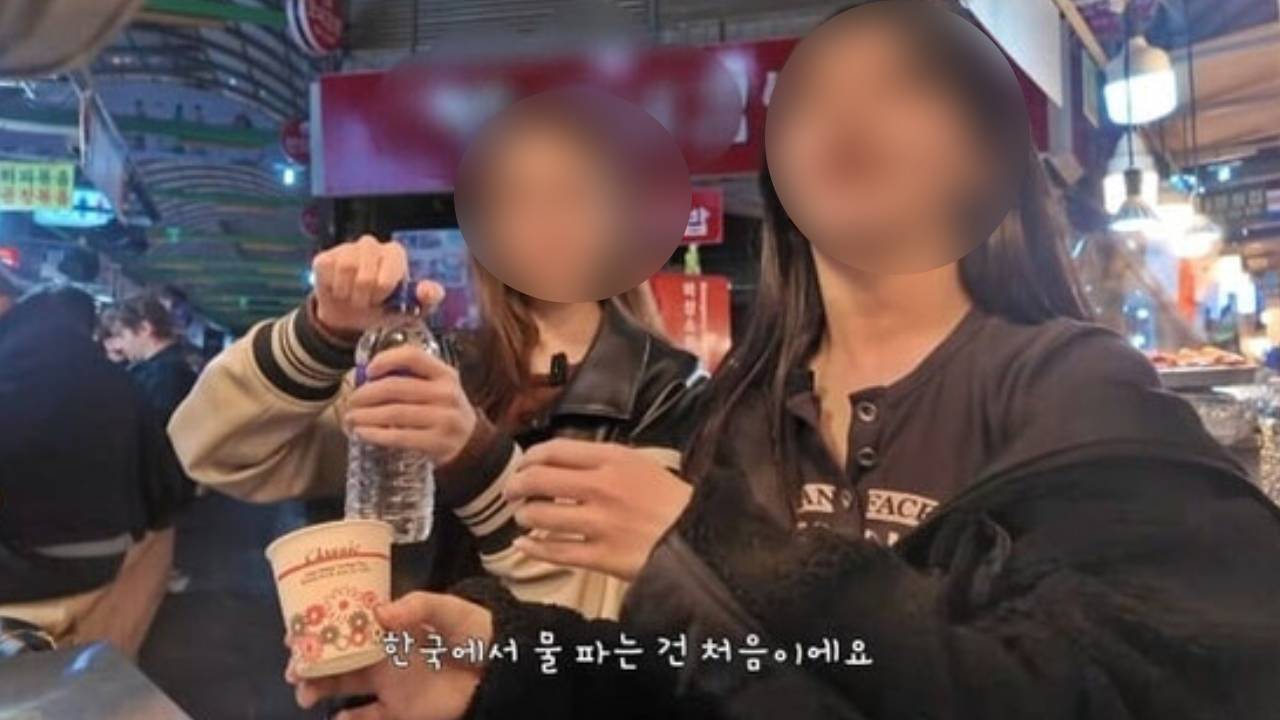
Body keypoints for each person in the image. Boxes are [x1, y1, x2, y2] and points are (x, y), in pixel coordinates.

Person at [290, 2, 1280, 719]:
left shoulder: (1079, 397)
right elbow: (690, 677)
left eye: (904, 84)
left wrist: (712, 546)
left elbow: (1137, 685)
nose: (845, 109)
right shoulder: (734, 419)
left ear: (987, 158)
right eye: (807, 95)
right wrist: (500, 666)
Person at [169, 235, 703, 619]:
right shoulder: (436, 361)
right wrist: (324, 333)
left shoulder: (671, 391)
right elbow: (215, 450)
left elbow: (634, 609)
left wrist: (475, 458)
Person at [0, 286, 190, 656]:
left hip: (38, 563)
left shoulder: (12, 365)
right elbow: (166, 486)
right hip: (110, 552)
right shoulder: (118, 379)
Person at [107, 293, 198, 425]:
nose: (119, 346)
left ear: (145, 328)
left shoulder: (161, 375)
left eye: (121, 336)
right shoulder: (177, 367)